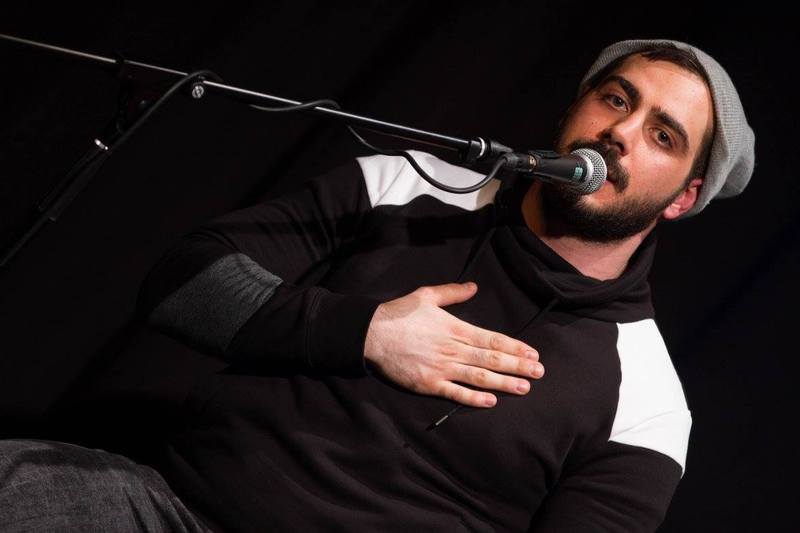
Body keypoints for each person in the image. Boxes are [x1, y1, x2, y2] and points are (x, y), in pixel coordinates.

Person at [0, 38, 755, 532]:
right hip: (170, 510)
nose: (621, 132)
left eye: (662, 135)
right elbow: (182, 281)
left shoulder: (648, 405)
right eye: (616, 99)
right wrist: (364, 333)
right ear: (576, 109)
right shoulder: (407, 185)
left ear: (683, 198)